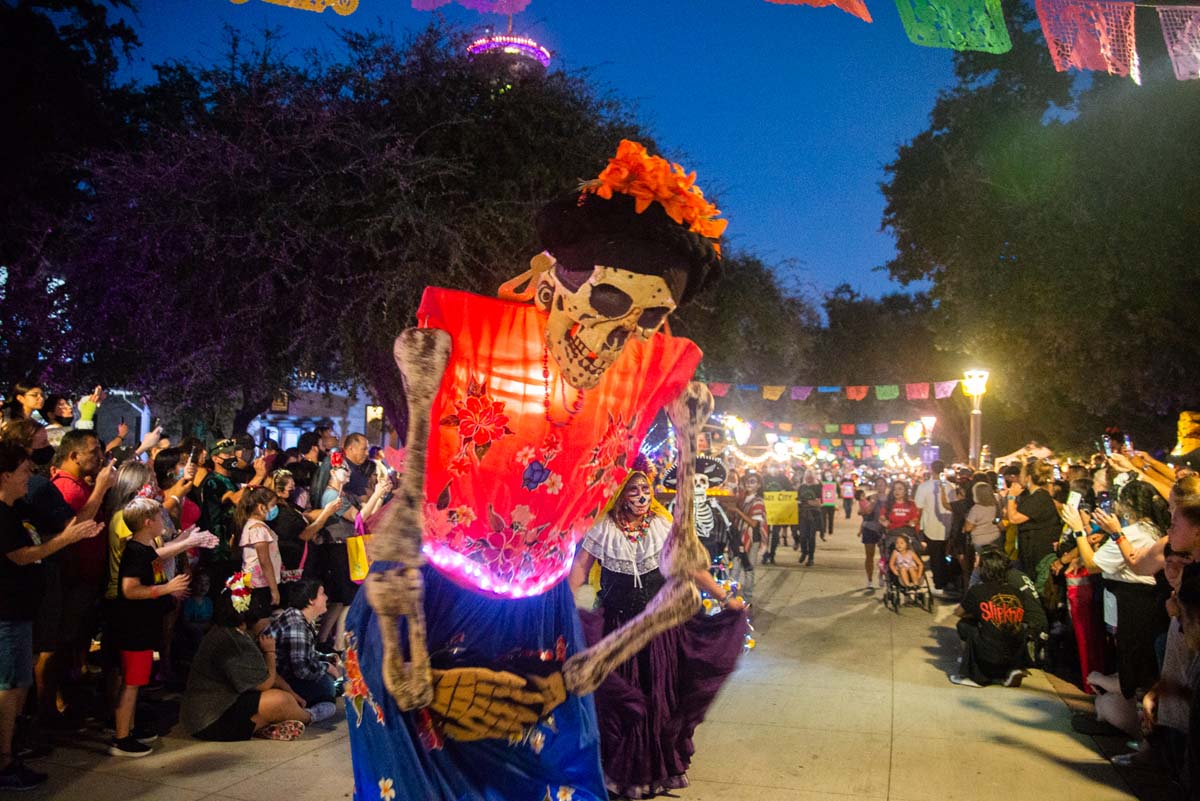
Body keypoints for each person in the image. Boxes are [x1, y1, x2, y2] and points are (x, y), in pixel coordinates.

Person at [568, 468, 746, 799]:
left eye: (644, 488)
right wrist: (565, 605)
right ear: (620, 494)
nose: (641, 495)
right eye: (633, 489)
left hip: (657, 630)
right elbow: (579, 567)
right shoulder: (603, 528)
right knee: (620, 701)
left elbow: (691, 567)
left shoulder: (662, 526)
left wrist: (724, 597)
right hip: (617, 630)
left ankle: (650, 770)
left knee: (655, 698)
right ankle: (617, 770)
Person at [0, 443, 102, 790]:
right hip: (7, 612)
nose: (31, 477)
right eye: (25, 471)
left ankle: (11, 750)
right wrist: (65, 539)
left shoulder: (15, 509)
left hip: (21, 609)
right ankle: (4, 762)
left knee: (17, 683)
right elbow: (22, 555)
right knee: (9, 686)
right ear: (6, 475)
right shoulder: (2, 514)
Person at [181, 572, 331, 742]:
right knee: (279, 701)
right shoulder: (229, 639)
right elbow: (265, 683)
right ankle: (309, 716)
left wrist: (292, 693)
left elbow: (264, 673)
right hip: (210, 719)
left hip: (227, 705)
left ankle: (266, 727)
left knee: (287, 697)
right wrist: (270, 652)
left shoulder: (239, 633)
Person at [109, 497, 191, 757]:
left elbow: (155, 573)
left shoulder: (147, 551)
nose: (163, 522)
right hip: (134, 627)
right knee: (131, 683)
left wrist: (169, 592)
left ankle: (130, 729)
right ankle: (122, 737)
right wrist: (166, 589)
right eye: (159, 518)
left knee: (136, 681)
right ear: (147, 523)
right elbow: (130, 589)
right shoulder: (135, 552)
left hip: (145, 626)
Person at [950, 548, 1031, 688]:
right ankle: (1010, 670)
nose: (976, 566)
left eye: (978, 563)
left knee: (964, 625)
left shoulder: (977, 591)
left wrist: (976, 612)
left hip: (989, 653)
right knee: (1014, 628)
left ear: (984, 569)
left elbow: (958, 612)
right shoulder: (1016, 591)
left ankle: (975, 676)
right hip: (1014, 651)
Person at [265, 580, 342, 708]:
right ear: (311, 600)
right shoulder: (297, 626)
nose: (326, 598)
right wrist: (327, 667)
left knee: (333, 679)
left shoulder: (297, 616)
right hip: (282, 681)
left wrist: (324, 657)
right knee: (328, 686)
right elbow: (301, 670)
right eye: (322, 594)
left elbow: (304, 652)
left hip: (286, 674)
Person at [1004, 461, 1061, 573]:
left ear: (1028, 477)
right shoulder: (1031, 496)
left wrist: (1011, 496)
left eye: (1022, 474)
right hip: (1030, 549)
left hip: (1038, 551)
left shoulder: (1039, 497)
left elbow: (1014, 518)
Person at [914, 461, 952, 594]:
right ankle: (946, 580)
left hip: (931, 526)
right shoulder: (950, 486)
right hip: (948, 526)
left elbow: (918, 505)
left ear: (931, 470)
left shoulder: (924, 486)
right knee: (945, 555)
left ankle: (939, 583)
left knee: (935, 556)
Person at [731, 471, 767, 599]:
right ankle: (731, 595)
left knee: (748, 568)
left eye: (752, 482)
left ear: (758, 485)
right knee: (734, 566)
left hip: (752, 539)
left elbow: (754, 523)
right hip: (739, 537)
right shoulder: (741, 498)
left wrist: (737, 511)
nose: (748, 484)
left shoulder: (758, 501)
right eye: (747, 481)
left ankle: (748, 597)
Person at [858, 477, 889, 591]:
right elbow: (863, 511)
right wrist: (872, 503)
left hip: (884, 530)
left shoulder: (890, 499)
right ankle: (869, 579)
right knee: (869, 555)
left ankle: (882, 574)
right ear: (875, 487)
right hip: (870, 528)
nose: (880, 486)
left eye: (882, 484)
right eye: (878, 484)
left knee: (884, 556)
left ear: (886, 486)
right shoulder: (871, 498)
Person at [796, 469, 822, 566]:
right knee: (802, 536)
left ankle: (811, 557)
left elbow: (818, 503)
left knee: (811, 538)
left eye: (810, 477)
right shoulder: (801, 487)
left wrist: (806, 502)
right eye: (807, 477)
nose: (808, 479)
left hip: (814, 515)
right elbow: (797, 500)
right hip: (803, 515)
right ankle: (804, 552)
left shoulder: (817, 487)